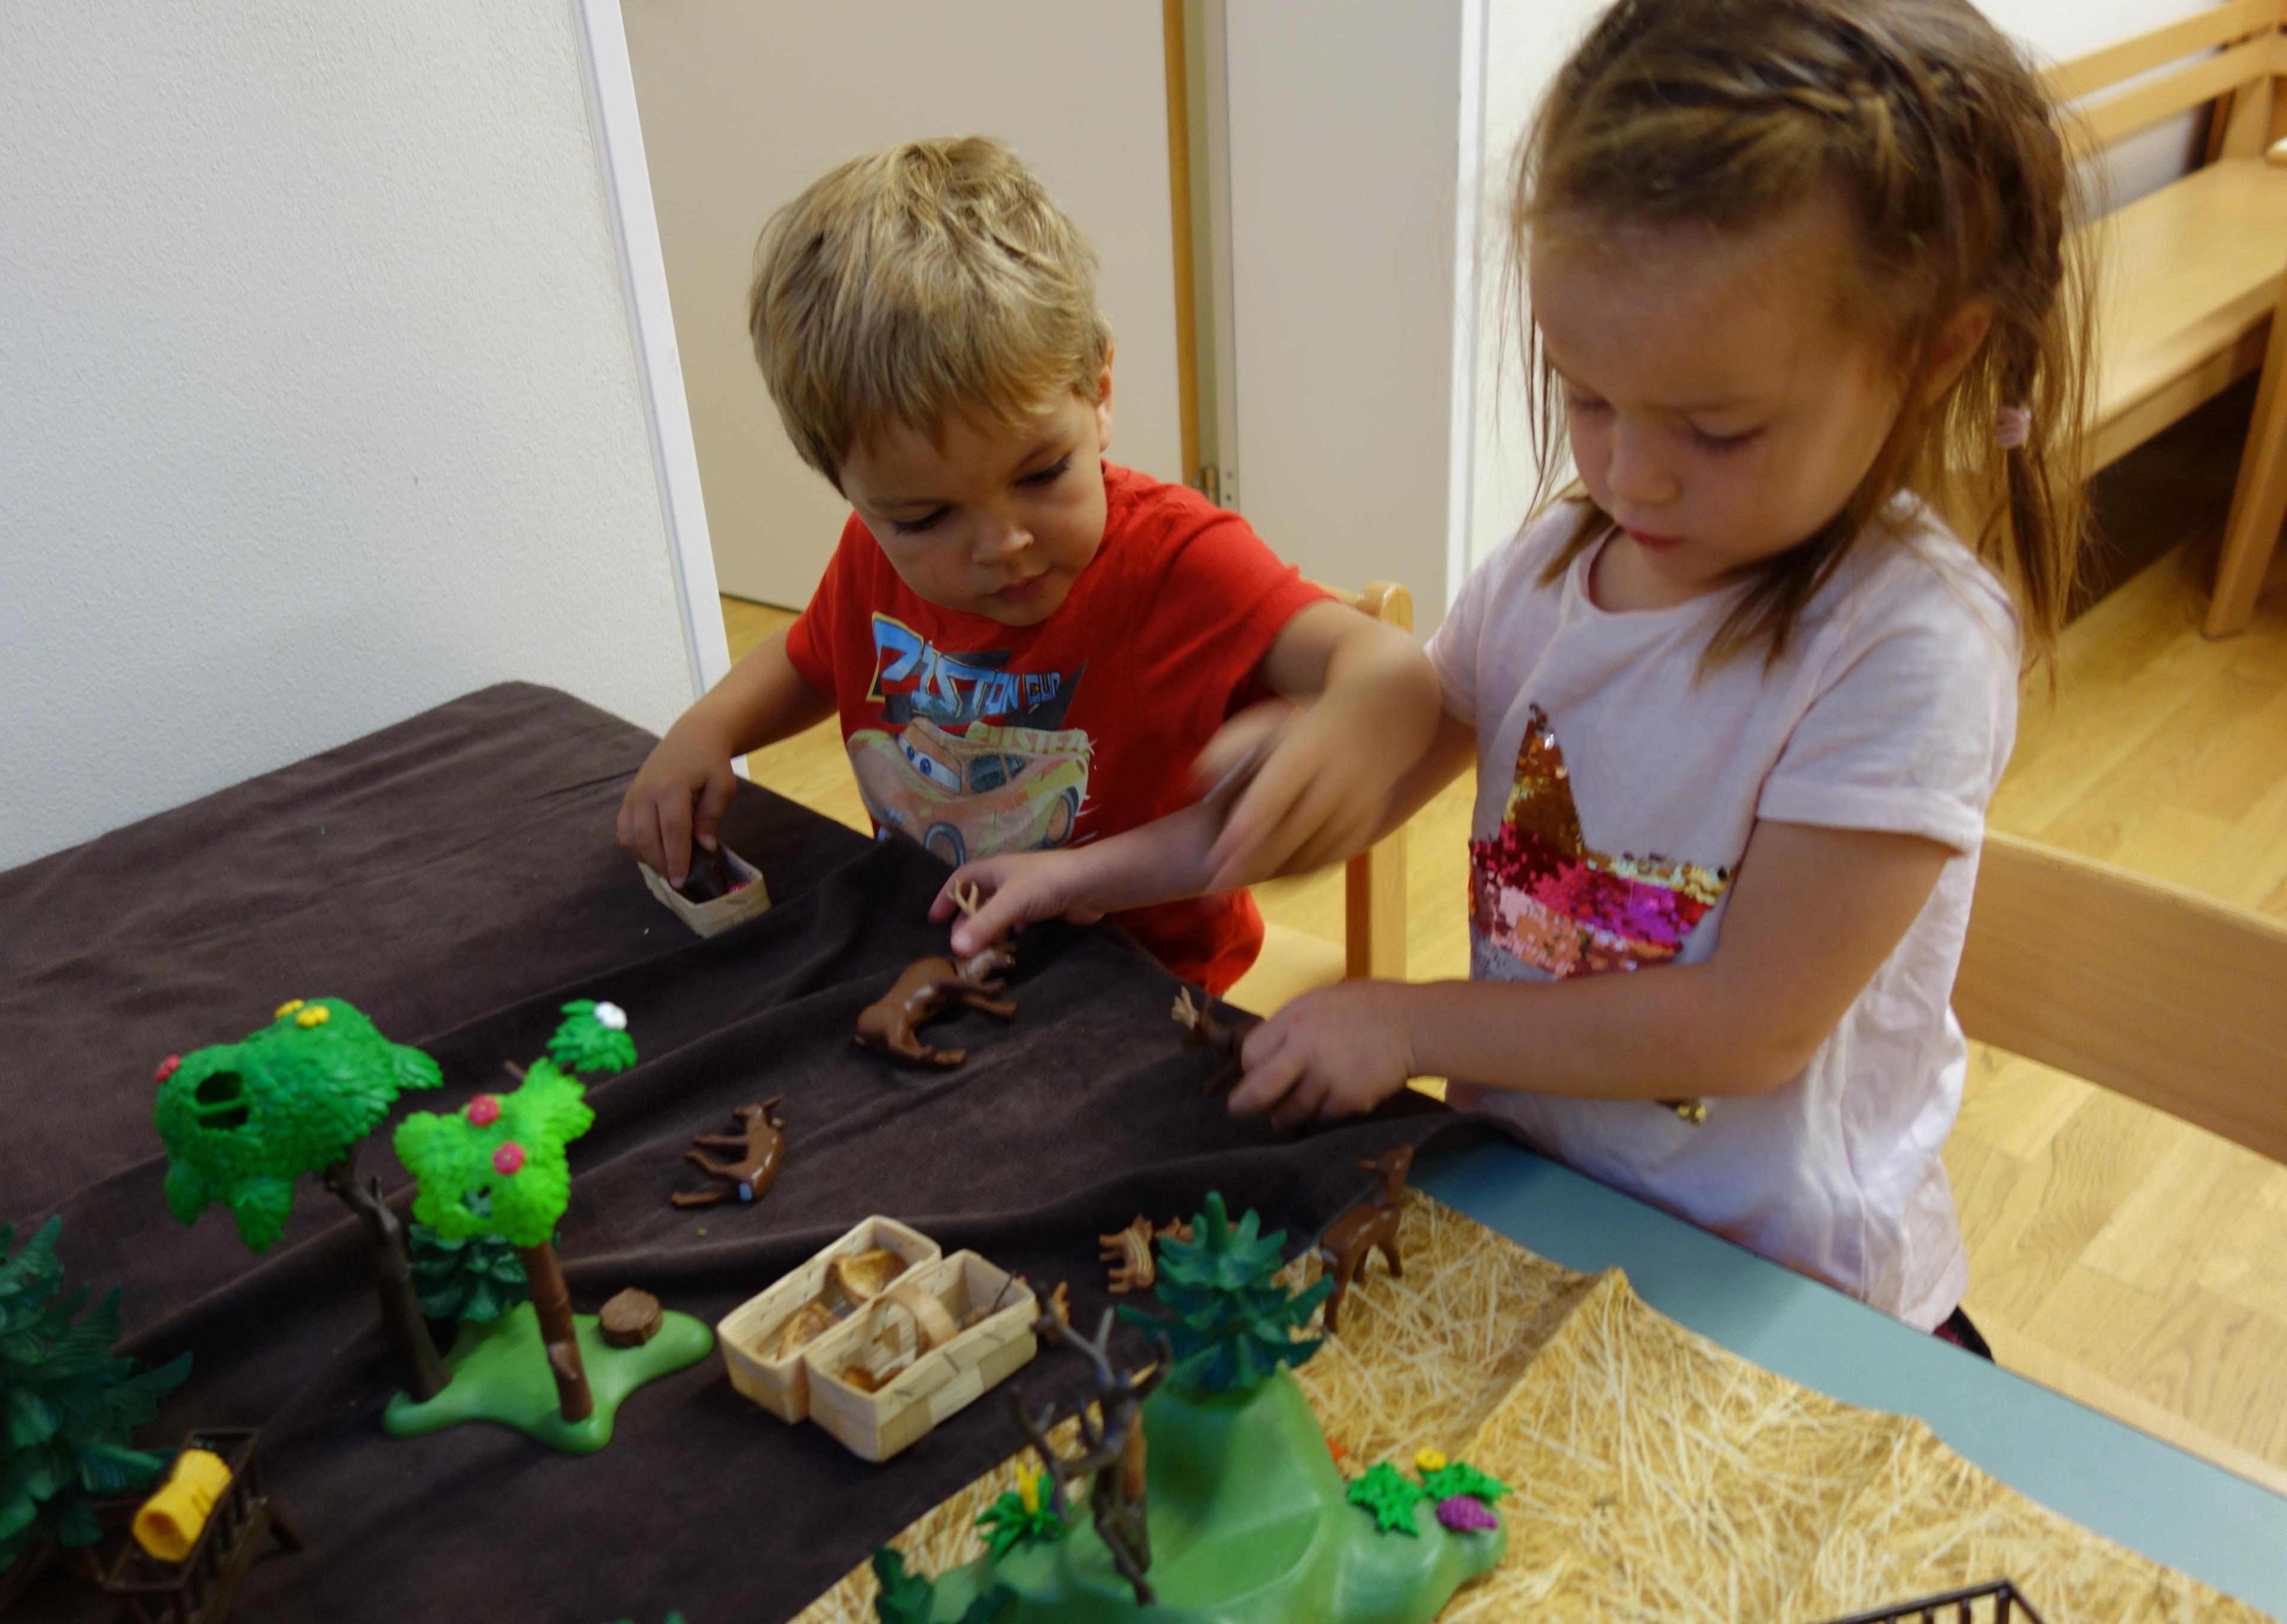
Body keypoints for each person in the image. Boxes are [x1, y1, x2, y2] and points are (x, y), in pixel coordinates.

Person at [942, 0, 2094, 1343]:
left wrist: (1412, 1023)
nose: (1630, 477)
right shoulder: (1556, 565)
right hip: (1537, 1213)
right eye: (1586, 394)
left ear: (1934, 350)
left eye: (1717, 429)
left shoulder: (1907, 646)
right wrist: (1094, 872)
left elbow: (1751, 1026)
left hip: (1780, 1298)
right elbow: (1365, 777)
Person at [617, 137, 1437, 994]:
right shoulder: (871, 556)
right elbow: (810, 659)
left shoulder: (1174, 567)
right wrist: (708, 730)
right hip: (939, 941)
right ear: (845, 487)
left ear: (1100, 393)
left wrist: (1356, 715)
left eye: (1041, 473)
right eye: (925, 518)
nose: (1002, 544)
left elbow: (1387, 665)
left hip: (1140, 982)